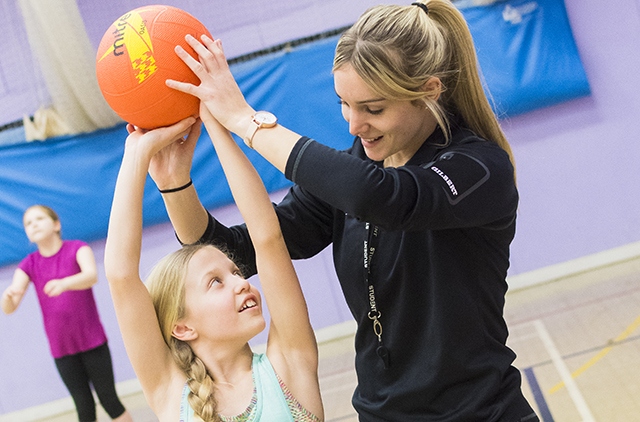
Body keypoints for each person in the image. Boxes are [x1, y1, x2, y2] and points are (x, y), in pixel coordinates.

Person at [158, 0, 540, 420]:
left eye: (373, 109)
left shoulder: (478, 168)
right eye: (344, 103)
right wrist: (175, 183)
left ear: (429, 91)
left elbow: (382, 198)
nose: (353, 125)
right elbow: (240, 251)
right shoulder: (358, 169)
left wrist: (246, 121)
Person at [103, 110, 324, 421]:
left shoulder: (289, 364)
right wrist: (137, 154)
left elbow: (266, 236)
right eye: (216, 282)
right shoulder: (172, 396)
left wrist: (217, 125)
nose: (243, 282)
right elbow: (121, 276)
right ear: (182, 327)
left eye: (235, 272)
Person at [1, 205, 132, 422]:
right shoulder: (29, 264)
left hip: (93, 341)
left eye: (38, 219)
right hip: (61, 349)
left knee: (109, 400)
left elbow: (91, 275)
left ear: (56, 224)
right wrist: (7, 297)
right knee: (83, 407)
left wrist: (64, 283)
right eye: (28, 223)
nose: (33, 225)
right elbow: (10, 307)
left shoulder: (78, 249)